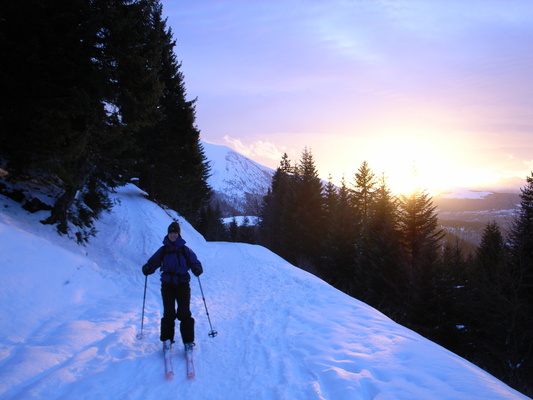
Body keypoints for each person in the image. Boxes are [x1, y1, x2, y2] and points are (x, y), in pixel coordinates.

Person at [142, 221, 203, 352]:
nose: (173, 235)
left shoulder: (185, 249)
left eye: (175, 233)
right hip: (167, 285)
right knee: (169, 312)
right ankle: (167, 340)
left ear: (178, 234)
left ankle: (188, 342)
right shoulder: (163, 250)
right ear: (168, 234)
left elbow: (194, 261)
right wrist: (148, 267)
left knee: (184, 313)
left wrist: (197, 268)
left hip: (182, 284)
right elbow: (154, 262)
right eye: (171, 233)